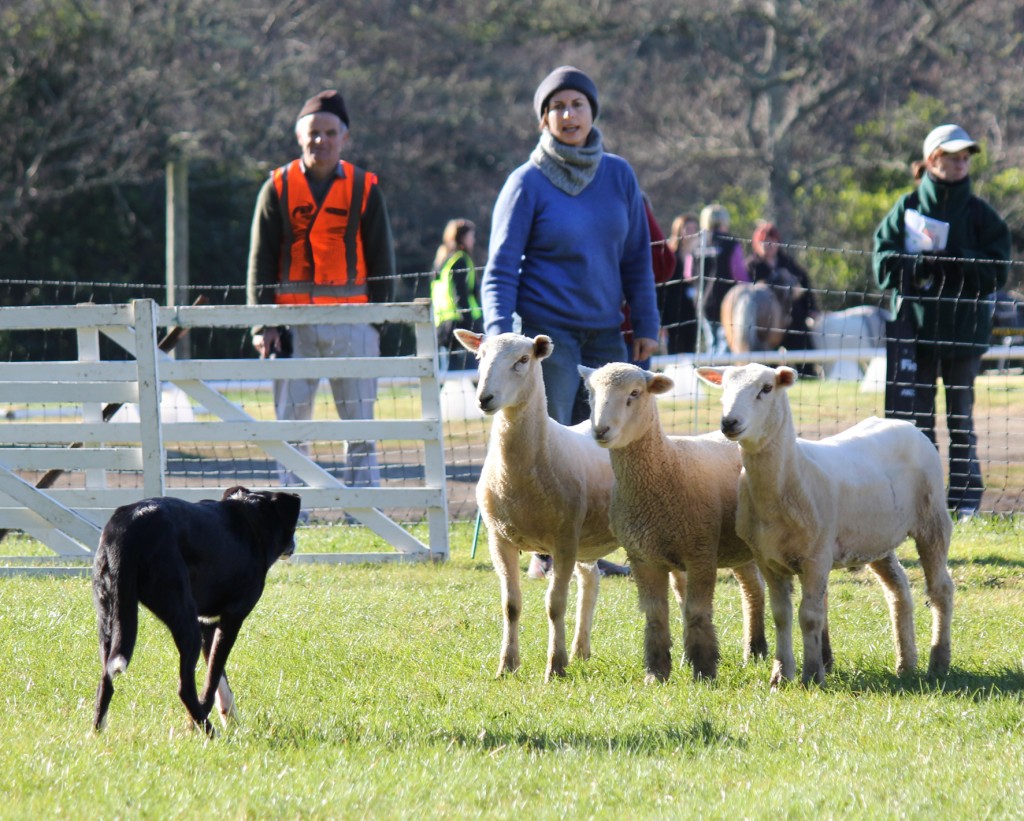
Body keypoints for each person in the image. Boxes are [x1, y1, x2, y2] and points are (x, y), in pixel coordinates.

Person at [482, 66, 657, 578]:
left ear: (592, 111)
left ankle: (607, 545)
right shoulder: (526, 183)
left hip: (606, 328)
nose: (568, 114)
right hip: (547, 334)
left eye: (577, 104)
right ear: (543, 120)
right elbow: (499, 268)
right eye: (557, 107)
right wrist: (497, 334)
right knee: (550, 439)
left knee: (616, 435)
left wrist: (645, 320)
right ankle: (545, 554)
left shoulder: (620, 175)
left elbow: (637, 258)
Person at [246, 89, 397, 491]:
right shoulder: (276, 187)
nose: (321, 141)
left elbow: (383, 263)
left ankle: (365, 507)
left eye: (330, 132)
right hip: (291, 328)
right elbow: (259, 263)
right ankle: (291, 510)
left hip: (354, 323)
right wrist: (263, 327)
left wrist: (377, 324)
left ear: (344, 138)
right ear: (299, 137)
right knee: (291, 425)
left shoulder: (366, 188)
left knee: (360, 422)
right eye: (313, 133)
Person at [873, 123, 1011, 521]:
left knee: (961, 421)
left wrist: (958, 258)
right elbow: (882, 263)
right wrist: (917, 264)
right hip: (915, 333)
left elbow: (999, 268)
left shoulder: (981, 213)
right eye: (952, 158)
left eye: (965, 158)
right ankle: (923, 500)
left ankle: (965, 501)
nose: (960, 165)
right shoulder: (907, 207)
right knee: (917, 424)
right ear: (932, 160)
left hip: (965, 333)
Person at [745, 221, 819, 374]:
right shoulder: (751, 266)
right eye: (764, 241)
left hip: (792, 318)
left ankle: (808, 373)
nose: (768, 245)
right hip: (765, 322)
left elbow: (804, 285)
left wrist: (812, 309)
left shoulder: (787, 263)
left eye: (771, 241)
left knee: (801, 341)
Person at [692, 203, 749, 352]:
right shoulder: (730, 243)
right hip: (728, 302)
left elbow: (688, 274)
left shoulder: (697, 243)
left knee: (712, 343)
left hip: (703, 301)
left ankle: (710, 372)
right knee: (726, 343)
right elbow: (739, 275)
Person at [430, 218, 481, 375]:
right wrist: (468, 321)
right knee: (475, 369)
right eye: (471, 236)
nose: (473, 240)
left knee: (447, 372)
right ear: (462, 238)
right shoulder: (460, 260)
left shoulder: (443, 259)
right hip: (462, 321)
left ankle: (436, 398)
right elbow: (461, 293)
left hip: (443, 321)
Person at [660, 212, 700, 355]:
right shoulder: (670, 256)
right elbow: (663, 289)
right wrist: (662, 323)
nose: (692, 233)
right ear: (679, 230)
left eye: (694, 229)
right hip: (673, 315)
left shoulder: (697, 257)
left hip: (691, 314)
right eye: (688, 229)